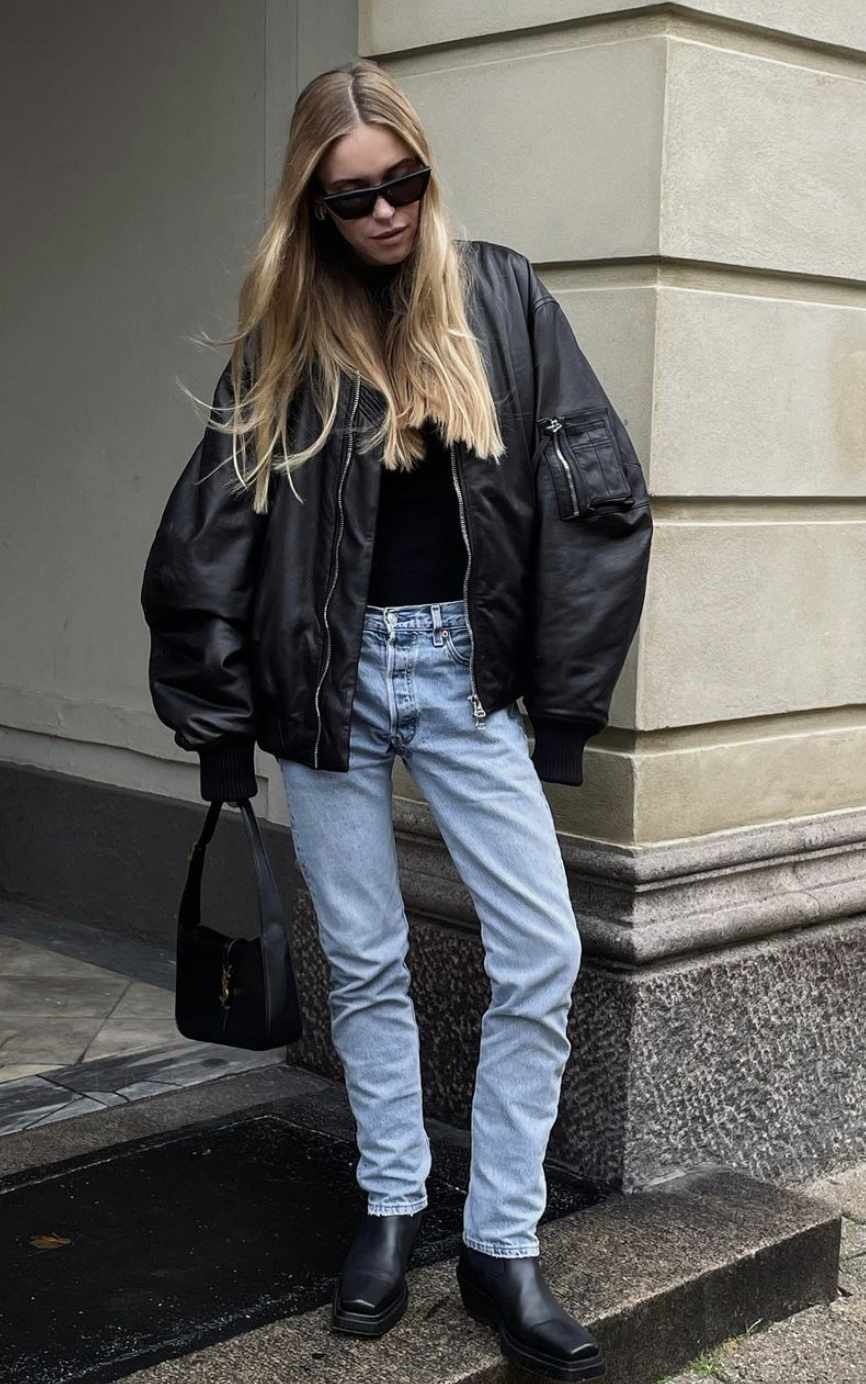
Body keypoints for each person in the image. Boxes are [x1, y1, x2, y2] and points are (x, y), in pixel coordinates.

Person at [141, 56, 652, 1381]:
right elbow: (207, 540)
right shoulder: (285, 341)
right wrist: (218, 728)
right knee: (365, 961)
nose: (381, 213)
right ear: (310, 208)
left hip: (464, 680)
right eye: (350, 197)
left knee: (540, 950)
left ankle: (500, 1242)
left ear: (428, 173)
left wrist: (562, 711)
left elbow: (599, 506)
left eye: (401, 184)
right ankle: (388, 1206)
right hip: (326, 687)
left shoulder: (502, 298)